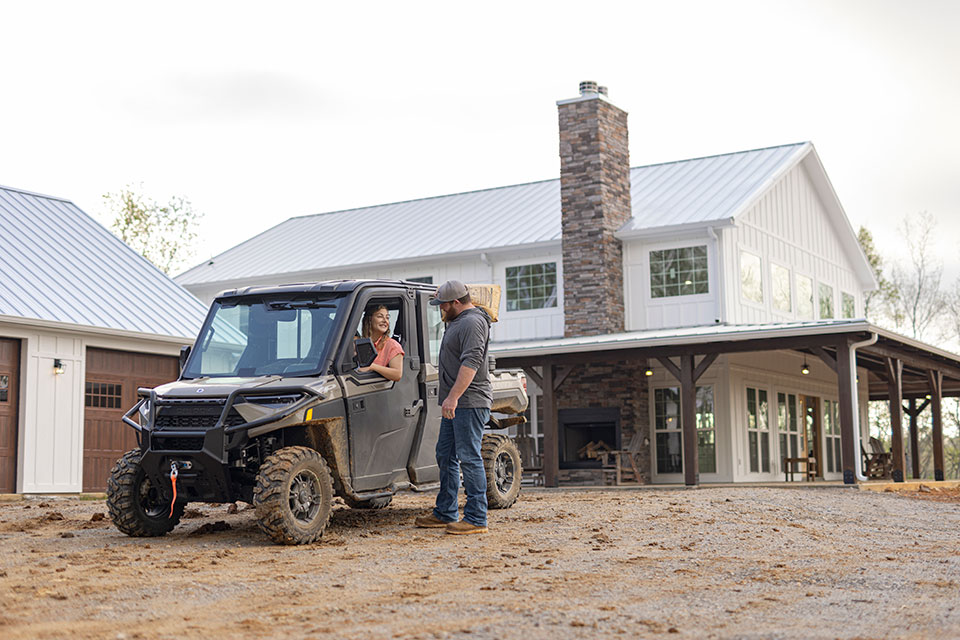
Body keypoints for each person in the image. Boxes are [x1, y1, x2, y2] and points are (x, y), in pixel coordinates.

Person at [414, 280, 492, 535]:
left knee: (469, 457)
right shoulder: (458, 320)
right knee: (445, 454)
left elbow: (471, 362)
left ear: (456, 303)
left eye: (443, 305)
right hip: (456, 403)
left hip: (468, 402)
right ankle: (445, 511)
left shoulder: (472, 322)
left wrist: (454, 397)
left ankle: (477, 518)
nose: (440, 309)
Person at [356, 304, 404, 381]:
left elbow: (397, 374)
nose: (385, 320)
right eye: (380, 316)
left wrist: (372, 366)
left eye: (387, 317)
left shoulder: (393, 345)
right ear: (369, 319)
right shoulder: (360, 343)